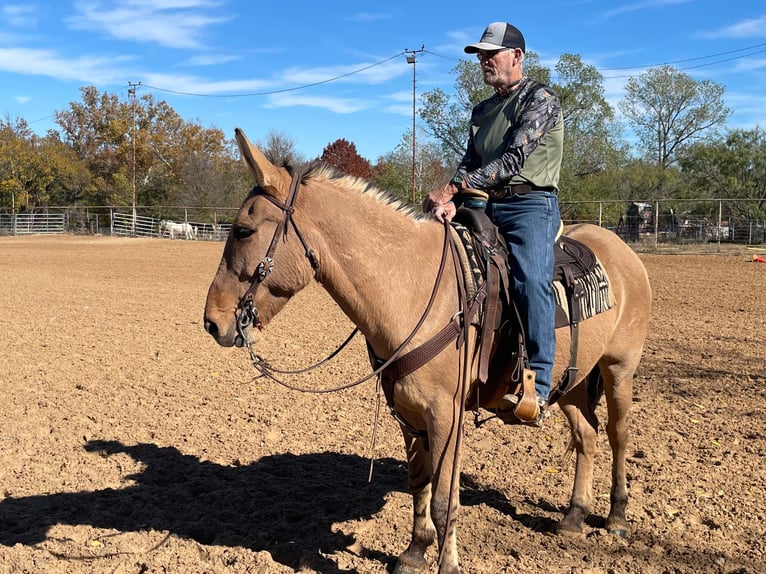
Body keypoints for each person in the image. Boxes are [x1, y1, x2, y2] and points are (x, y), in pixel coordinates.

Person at [423, 22, 563, 425]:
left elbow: (513, 161)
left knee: (530, 280)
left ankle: (539, 385)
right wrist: (457, 201)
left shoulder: (542, 100)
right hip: (485, 204)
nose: (483, 61)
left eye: (490, 54)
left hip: (530, 206)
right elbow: (472, 162)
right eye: (480, 55)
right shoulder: (482, 111)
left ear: (516, 56)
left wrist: (452, 188)